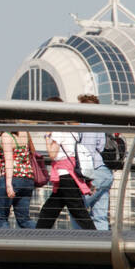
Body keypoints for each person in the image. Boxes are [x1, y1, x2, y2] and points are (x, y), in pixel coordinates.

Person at [36, 98, 96, 230]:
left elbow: (52, 155)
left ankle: (97, 237)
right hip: (70, 174)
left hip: (65, 176)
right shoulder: (71, 130)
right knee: (51, 209)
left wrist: (47, 138)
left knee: (77, 210)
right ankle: (38, 235)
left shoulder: (57, 131)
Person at [78, 93, 113, 230]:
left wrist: (85, 176)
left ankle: (79, 241)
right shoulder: (99, 124)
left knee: (77, 208)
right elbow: (100, 146)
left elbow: (88, 151)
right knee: (100, 215)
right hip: (105, 172)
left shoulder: (86, 125)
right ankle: (102, 244)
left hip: (94, 173)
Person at [0, 121, 35, 228]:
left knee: (1, 219)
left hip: (12, 179)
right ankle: (42, 239)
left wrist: (8, 185)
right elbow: (32, 153)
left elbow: (9, 161)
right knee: (24, 220)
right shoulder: (24, 131)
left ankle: (3, 244)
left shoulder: (6, 135)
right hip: (27, 179)